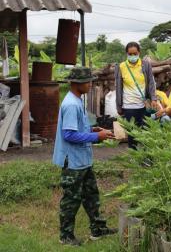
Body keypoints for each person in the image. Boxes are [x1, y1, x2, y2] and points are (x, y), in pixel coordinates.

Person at [52, 67, 117, 246]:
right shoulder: (71, 105)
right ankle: (65, 236)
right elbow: (69, 135)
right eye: (87, 81)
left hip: (82, 159)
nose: (90, 84)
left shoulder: (77, 100)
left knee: (91, 195)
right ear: (76, 83)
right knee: (71, 200)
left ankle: (98, 229)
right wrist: (97, 137)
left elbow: (77, 130)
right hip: (73, 161)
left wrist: (92, 130)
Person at [115, 41, 157, 149]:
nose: (132, 56)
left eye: (135, 54)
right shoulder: (121, 66)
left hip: (144, 105)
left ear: (139, 52)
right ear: (126, 54)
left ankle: (147, 158)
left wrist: (153, 98)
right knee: (132, 133)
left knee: (146, 132)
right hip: (129, 106)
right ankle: (134, 158)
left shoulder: (145, 65)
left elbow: (151, 83)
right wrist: (118, 106)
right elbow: (118, 87)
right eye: (130, 54)